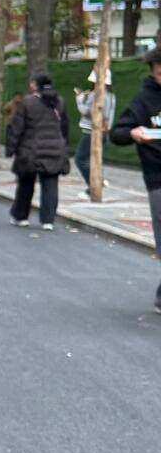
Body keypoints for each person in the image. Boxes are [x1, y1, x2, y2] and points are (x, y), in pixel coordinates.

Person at [108, 43, 161, 312]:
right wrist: (133, 133)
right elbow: (116, 133)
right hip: (158, 177)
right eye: (160, 71)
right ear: (152, 71)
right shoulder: (144, 99)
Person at [5, 72, 70, 231]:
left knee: (26, 184)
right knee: (50, 185)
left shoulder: (27, 103)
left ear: (35, 85)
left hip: (30, 150)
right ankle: (48, 220)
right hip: (54, 150)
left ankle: (21, 216)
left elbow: (17, 128)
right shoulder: (59, 102)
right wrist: (64, 147)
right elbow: (64, 127)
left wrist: (11, 149)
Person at [73, 66, 116, 186]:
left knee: (80, 159)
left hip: (91, 131)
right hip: (104, 132)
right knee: (94, 161)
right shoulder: (111, 96)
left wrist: (79, 100)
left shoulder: (96, 94)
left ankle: (94, 184)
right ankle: (96, 183)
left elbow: (88, 112)